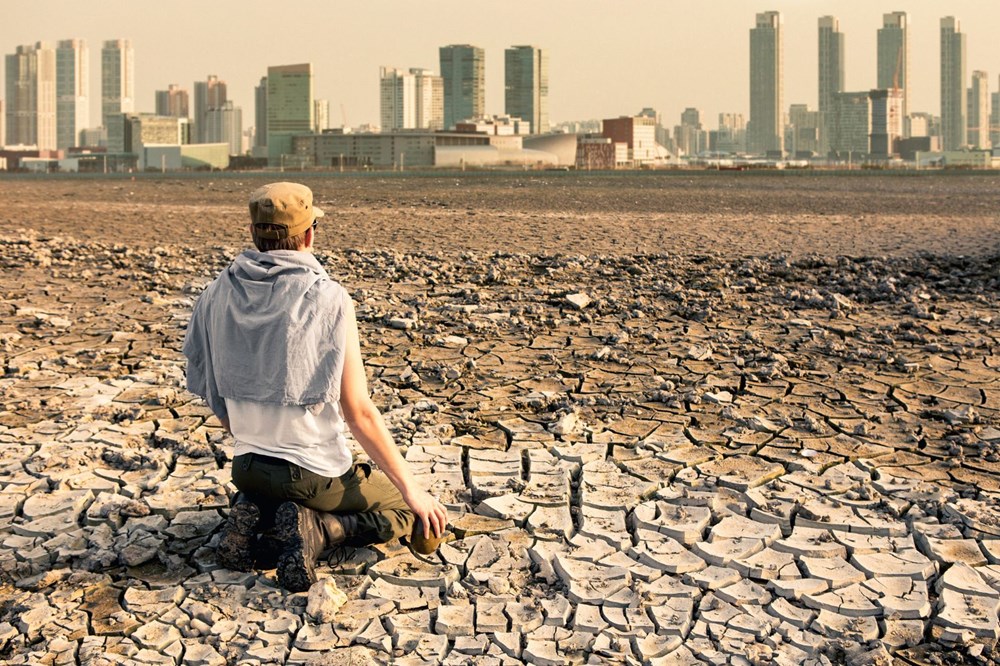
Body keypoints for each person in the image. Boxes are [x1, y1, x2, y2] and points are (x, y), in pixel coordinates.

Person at [183, 182, 447, 592]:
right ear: (309, 235)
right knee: (401, 511)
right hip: (310, 473)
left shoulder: (216, 293)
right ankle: (324, 529)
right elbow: (358, 411)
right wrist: (413, 491)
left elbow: (213, 389)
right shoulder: (328, 299)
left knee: (281, 498)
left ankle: (257, 515)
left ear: (254, 233)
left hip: (247, 467)